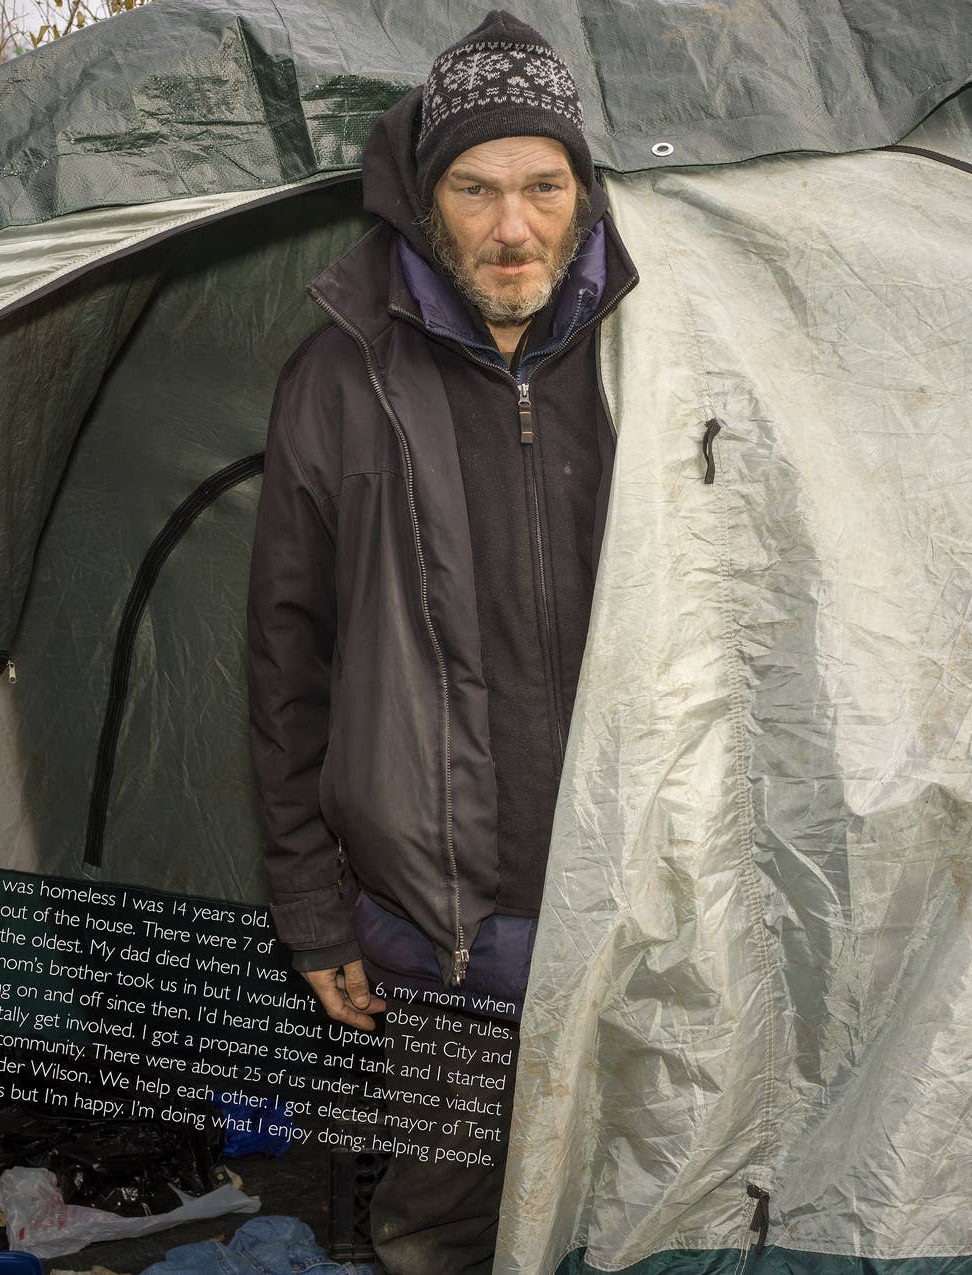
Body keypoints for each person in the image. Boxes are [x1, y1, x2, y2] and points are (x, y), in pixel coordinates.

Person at [245, 9, 639, 1270]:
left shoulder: (665, 356)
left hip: (644, 915)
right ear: (424, 198)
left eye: (541, 185)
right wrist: (314, 914)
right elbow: (284, 667)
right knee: (436, 1227)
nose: (511, 226)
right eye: (475, 188)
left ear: (582, 191)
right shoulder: (336, 375)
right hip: (436, 934)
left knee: (648, 1206)